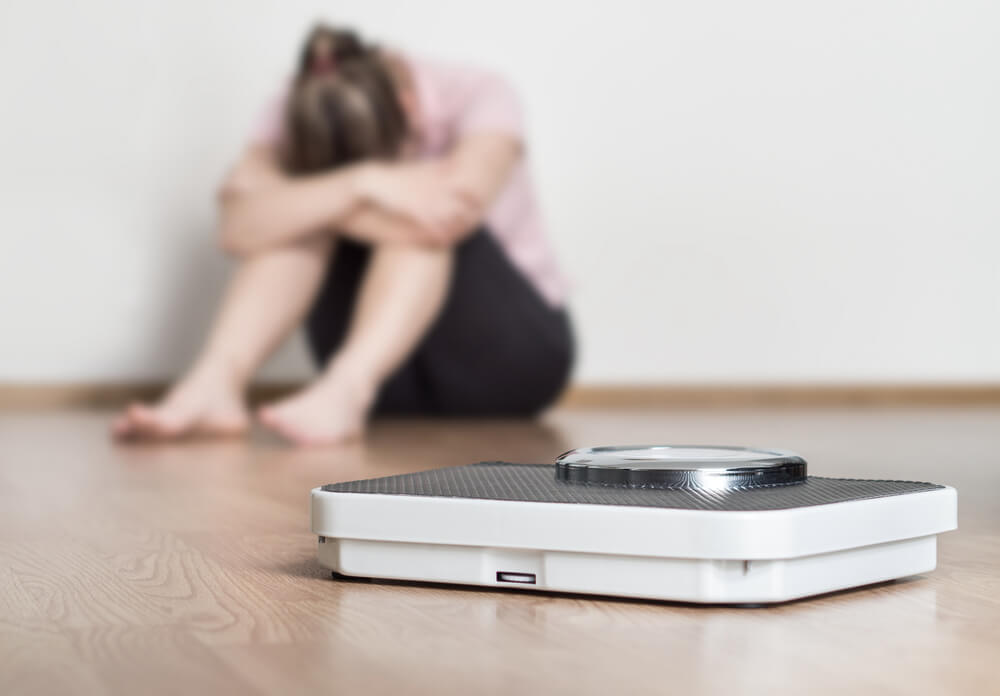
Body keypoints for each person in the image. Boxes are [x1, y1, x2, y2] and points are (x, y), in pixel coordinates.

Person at [112, 24, 573, 446]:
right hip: (392, 385)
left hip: (511, 361)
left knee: (412, 220)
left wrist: (317, 199)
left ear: (409, 109)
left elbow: (450, 212)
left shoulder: (480, 92)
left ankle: (346, 389)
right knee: (299, 219)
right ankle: (216, 381)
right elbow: (235, 228)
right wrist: (363, 184)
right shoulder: (297, 106)